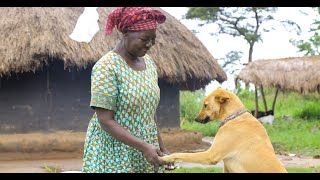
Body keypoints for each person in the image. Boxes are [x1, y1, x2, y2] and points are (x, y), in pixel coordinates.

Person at [82, 7, 172, 173]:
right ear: (125, 33)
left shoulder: (150, 64)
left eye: (153, 39)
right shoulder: (106, 67)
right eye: (144, 39)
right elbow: (105, 120)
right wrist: (144, 146)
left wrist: (161, 148)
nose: (150, 44)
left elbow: (150, 111)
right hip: (114, 153)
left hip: (145, 149)